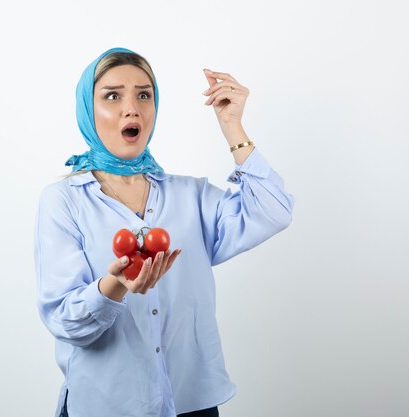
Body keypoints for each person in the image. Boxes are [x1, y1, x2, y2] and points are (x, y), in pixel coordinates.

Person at [34, 47, 295, 417]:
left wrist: (233, 128)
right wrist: (117, 286)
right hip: (104, 407)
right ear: (88, 111)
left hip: (192, 404)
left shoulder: (192, 196)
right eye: (112, 95)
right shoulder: (63, 201)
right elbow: (64, 321)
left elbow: (274, 211)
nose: (132, 108)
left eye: (144, 94)